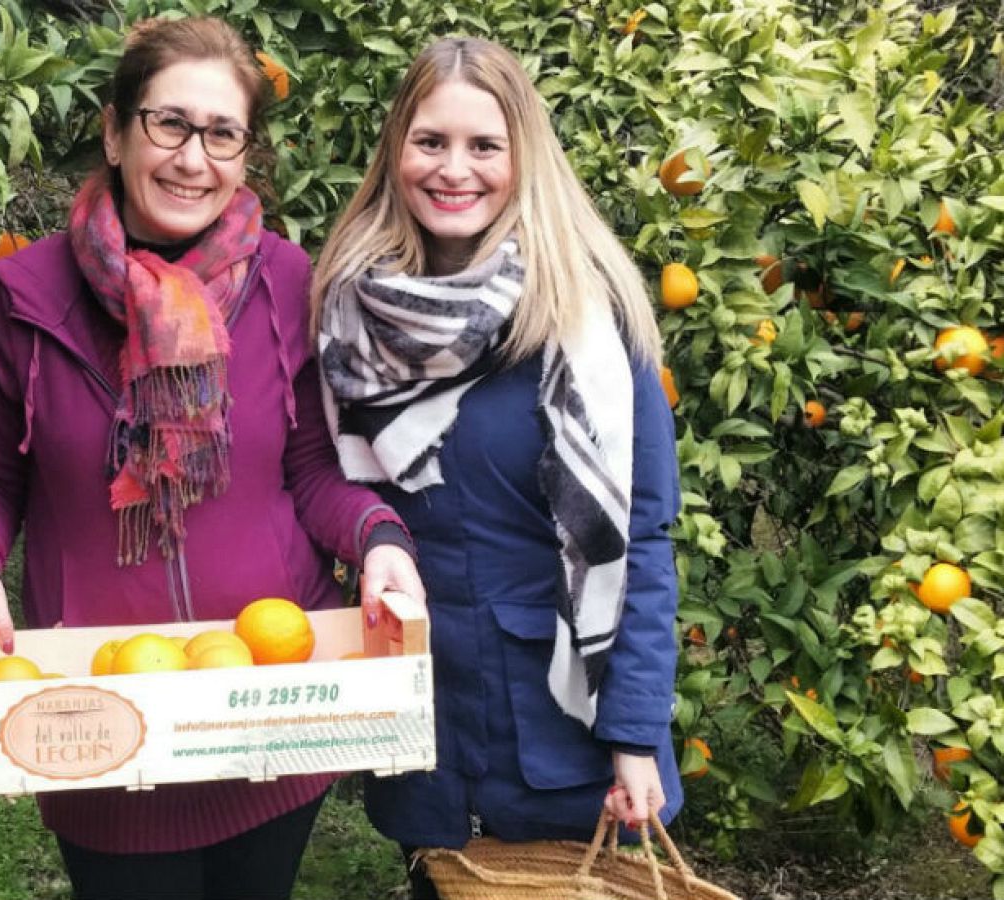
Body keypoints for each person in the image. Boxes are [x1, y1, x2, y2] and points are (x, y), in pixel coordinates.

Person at [0, 16, 424, 900]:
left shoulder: (285, 282)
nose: (192, 158)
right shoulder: (28, 296)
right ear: (116, 130)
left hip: (273, 706)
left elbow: (313, 470)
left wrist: (379, 538)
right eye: (169, 123)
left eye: (221, 133)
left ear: (245, 154)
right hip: (104, 719)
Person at [313, 36, 683, 899]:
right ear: (395, 151)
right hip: (425, 711)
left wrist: (632, 732)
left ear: (525, 158)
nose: (455, 169)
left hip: (563, 721)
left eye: (485, 146)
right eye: (430, 141)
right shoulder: (349, 313)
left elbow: (642, 536)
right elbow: (326, 482)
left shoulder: (589, 324)